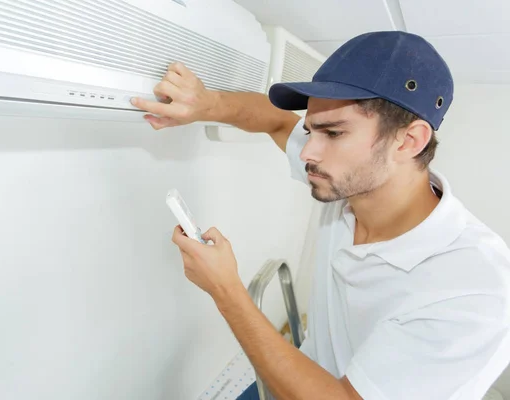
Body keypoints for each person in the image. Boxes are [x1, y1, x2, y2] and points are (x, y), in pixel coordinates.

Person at [131, 31, 510, 400]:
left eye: (333, 133)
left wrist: (226, 290)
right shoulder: (353, 185)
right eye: (312, 130)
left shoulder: (474, 290)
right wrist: (204, 104)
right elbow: (277, 120)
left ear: (409, 140)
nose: (306, 151)